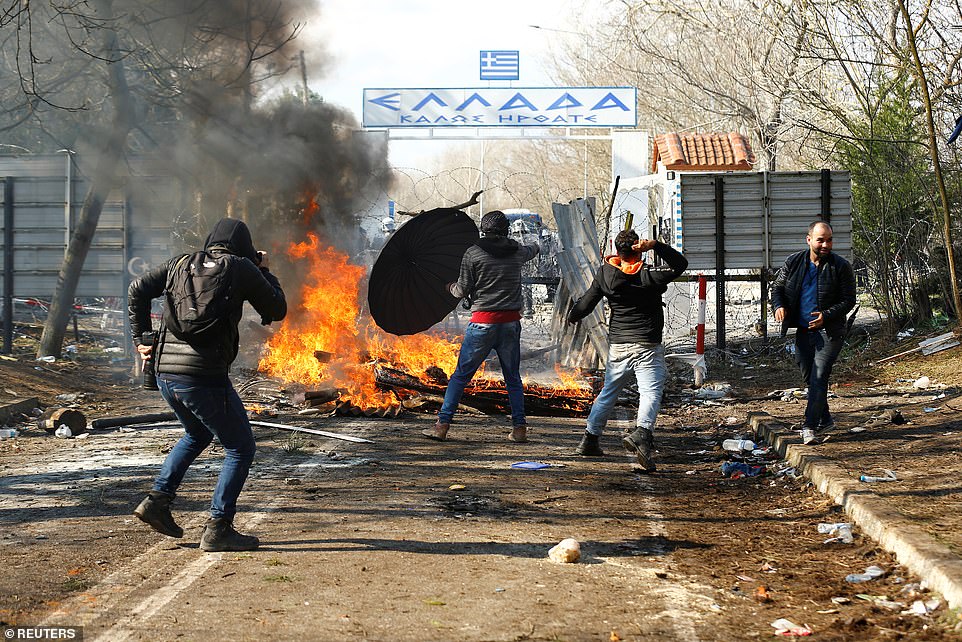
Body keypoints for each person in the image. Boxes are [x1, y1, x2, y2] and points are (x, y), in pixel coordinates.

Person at [128, 218, 286, 551]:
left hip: (166, 376)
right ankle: (218, 527)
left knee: (197, 433)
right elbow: (276, 308)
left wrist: (140, 338)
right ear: (244, 247)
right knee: (241, 448)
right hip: (204, 379)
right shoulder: (241, 268)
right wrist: (265, 270)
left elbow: (137, 289)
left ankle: (157, 502)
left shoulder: (180, 264)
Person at [567, 230, 688, 471]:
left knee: (609, 392)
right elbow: (680, 263)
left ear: (616, 247)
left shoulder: (605, 273)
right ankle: (642, 434)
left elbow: (587, 302)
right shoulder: (649, 274)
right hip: (646, 345)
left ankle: (590, 439)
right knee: (650, 392)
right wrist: (655, 246)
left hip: (619, 345)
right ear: (638, 248)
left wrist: (573, 315)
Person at [422, 210, 540, 443]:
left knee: (460, 377)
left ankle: (442, 427)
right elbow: (532, 250)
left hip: (483, 324)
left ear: (483, 230)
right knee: (512, 378)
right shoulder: (516, 250)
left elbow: (460, 291)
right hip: (509, 324)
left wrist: (447, 286)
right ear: (506, 230)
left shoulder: (473, 254)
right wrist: (536, 245)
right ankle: (519, 429)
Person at [771, 220, 856, 445]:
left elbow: (849, 300)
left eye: (829, 240)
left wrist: (825, 316)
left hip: (830, 331)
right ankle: (825, 418)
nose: (825, 244)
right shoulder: (794, 262)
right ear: (809, 240)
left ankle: (809, 426)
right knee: (810, 377)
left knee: (819, 376)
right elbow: (777, 287)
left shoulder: (841, 266)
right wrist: (778, 306)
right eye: (820, 240)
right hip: (803, 330)